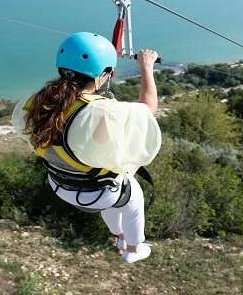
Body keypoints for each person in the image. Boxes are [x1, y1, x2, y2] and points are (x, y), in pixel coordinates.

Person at [12, 32, 162, 263]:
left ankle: (118, 235)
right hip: (95, 192)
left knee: (112, 187)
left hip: (60, 184)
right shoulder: (99, 112)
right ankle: (133, 249)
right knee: (131, 196)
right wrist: (146, 67)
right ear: (104, 75)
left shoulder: (38, 101)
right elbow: (147, 109)